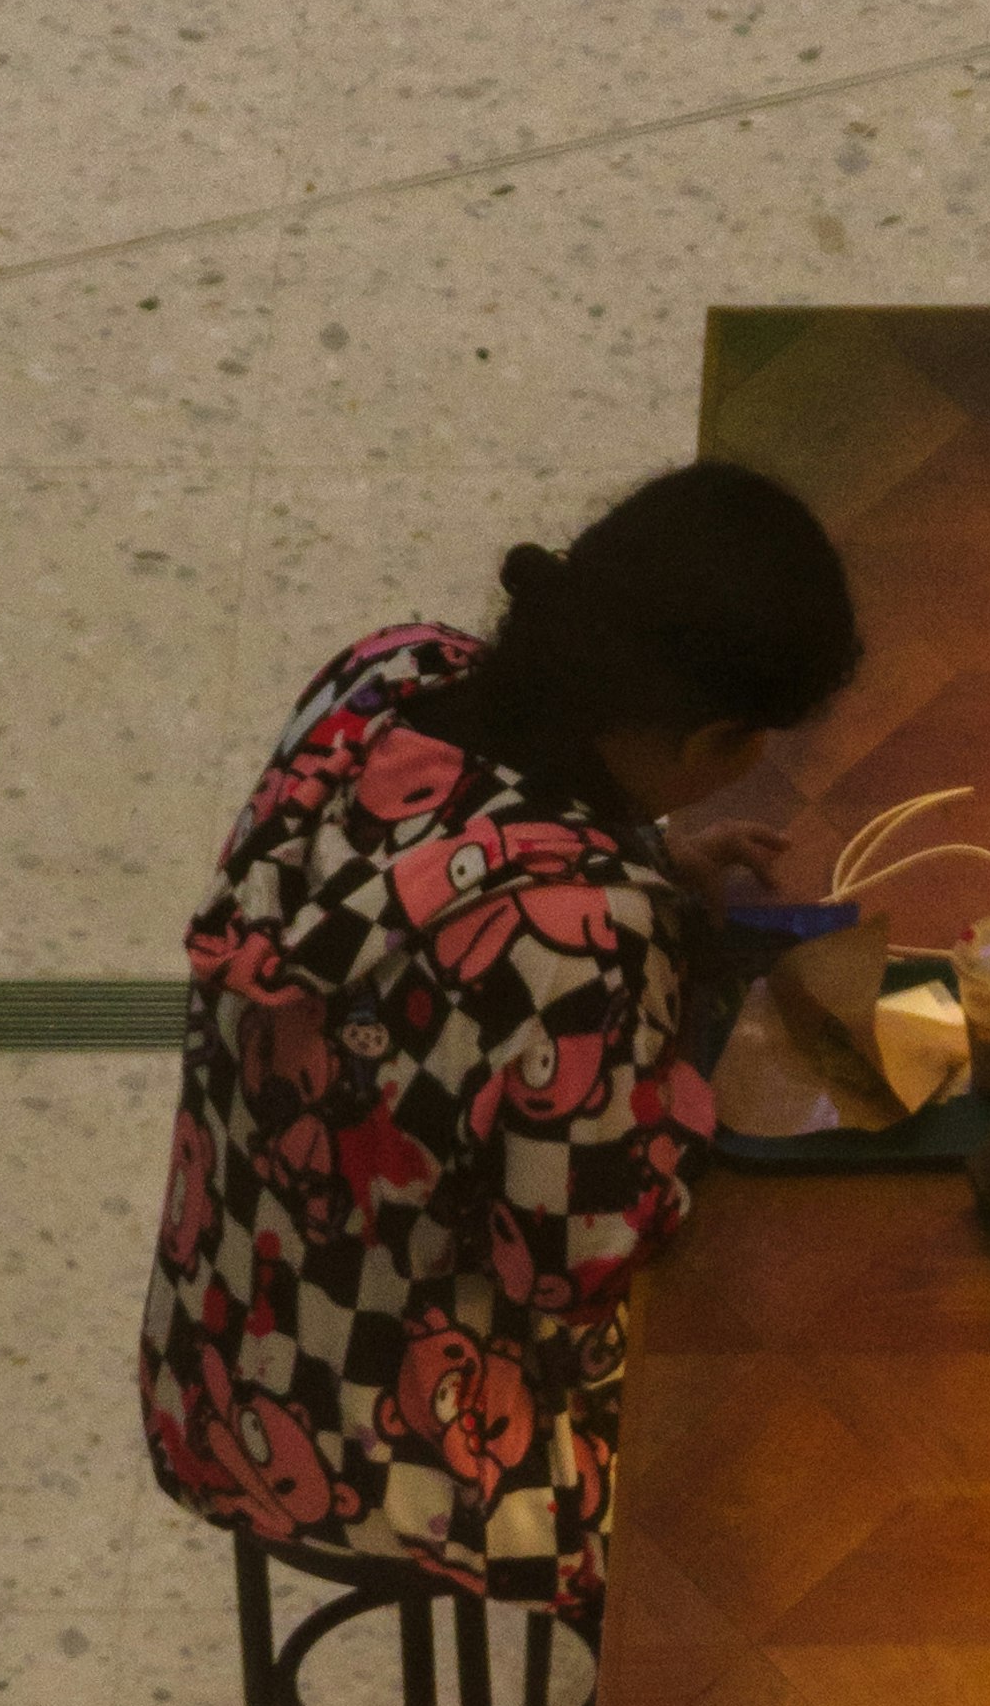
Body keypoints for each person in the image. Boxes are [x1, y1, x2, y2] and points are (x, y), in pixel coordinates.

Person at [139, 456, 861, 1604]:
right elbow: (578, 1254)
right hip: (381, 1447)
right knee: (804, 1458)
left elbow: (429, 884)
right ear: (708, 737)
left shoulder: (388, 675)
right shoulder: (574, 937)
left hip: (222, 1343)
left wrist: (642, 867)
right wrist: (684, 1073)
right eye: (756, 739)